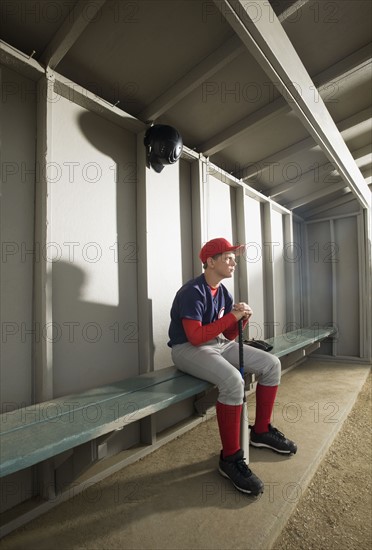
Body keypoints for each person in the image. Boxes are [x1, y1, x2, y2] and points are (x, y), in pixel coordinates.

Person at [168, 237, 297, 495]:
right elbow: (194, 337)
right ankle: (230, 458)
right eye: (227, 258)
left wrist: (242, 319)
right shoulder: (192, 291)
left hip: (216, 344)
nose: (232, 263)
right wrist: (231, 316)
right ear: (210, 261)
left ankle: (260, 431)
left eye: (234, 259)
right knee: (233, 382)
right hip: (187, 350)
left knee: (272, 364)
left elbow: (228, 337)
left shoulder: (223, 292)